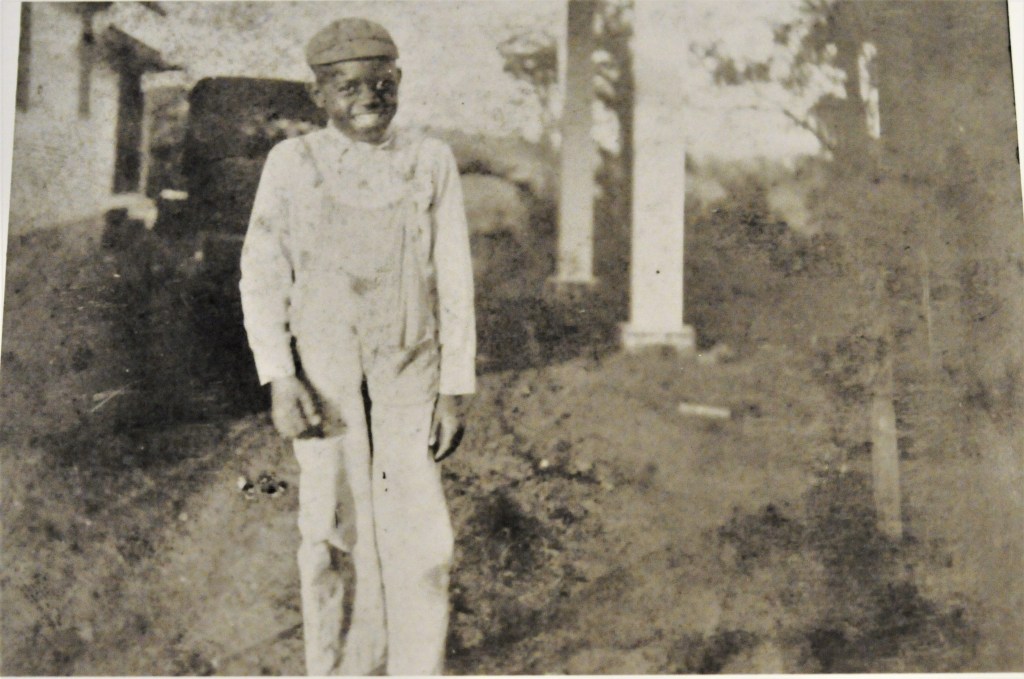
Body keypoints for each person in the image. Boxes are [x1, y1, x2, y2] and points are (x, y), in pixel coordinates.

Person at [238, 17, 475, 676]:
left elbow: (454, 277)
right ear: (318, 95)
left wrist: (454, 388)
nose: (369, 97)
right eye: (348, 86)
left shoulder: (429, 160)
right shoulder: (293, 164)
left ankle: (413, 666)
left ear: (399, 82)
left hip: (408, 371)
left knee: (419, 537)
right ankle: (336, 665)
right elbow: (261, 272)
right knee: (328, 531)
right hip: (325, 377)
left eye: (382, 83)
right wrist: (280, 375)